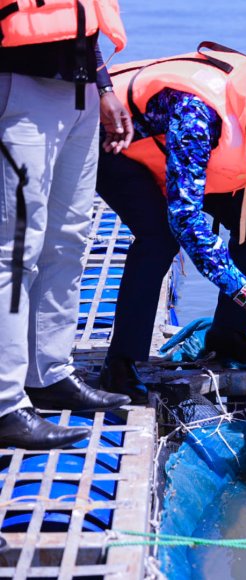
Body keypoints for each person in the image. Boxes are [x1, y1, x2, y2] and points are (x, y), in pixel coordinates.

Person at [96, 44, 246, 403]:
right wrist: (245, 292)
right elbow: (185, 219)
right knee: (159, 236)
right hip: (118, 148)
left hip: (177, 155)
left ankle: (229, 335)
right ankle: (121, 365)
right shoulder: (196, 113)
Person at [0, 0, 133, 449]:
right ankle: (4, 404)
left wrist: (104, 85)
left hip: (80, 95)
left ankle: (48, 373)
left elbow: (85, 16)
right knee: (15, 250)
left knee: (71, 238)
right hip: (18, 87)